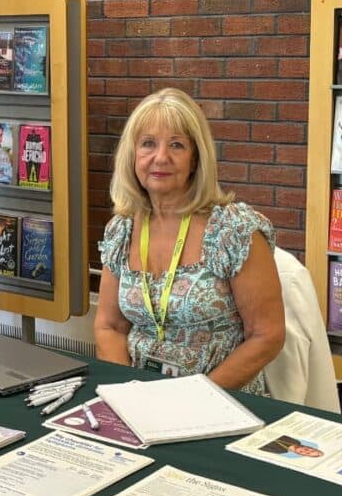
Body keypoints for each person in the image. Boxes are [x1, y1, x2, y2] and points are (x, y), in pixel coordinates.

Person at [94, 88, 285, 396]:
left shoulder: (234, 230)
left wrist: (196, 399)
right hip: (140, 398)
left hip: (221, 400)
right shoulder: (121, 231)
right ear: (132, 156)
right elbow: (110, 327)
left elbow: (267, 335)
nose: (160, 157)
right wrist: (127, 393)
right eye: (147, 144)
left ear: (196, 159)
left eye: (177, 145)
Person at [259, 435, 324, 458]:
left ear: (302, 454)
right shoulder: (296, 441)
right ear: (311, 447)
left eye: (308, 453)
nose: (307, 451)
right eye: (312, 450)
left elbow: (258, 446)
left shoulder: (279, 451)